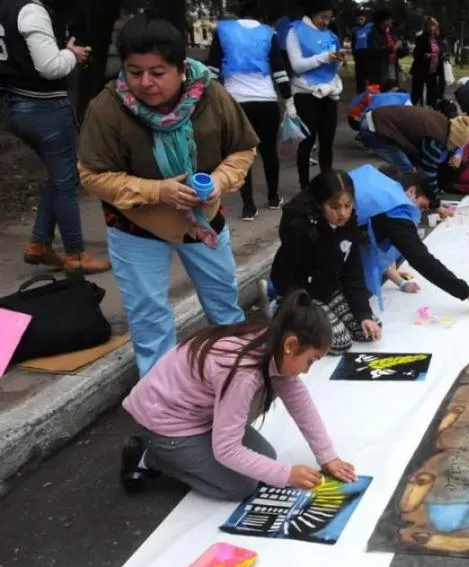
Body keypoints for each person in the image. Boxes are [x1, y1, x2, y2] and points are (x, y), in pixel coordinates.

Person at [77, 15, 258, 378]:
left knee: (224, 307)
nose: (145, 83)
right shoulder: (107, 106)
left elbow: (243, 148)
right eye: (134, 71)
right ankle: (162, 406)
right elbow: (92, 175)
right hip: (135, 226)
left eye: (158, 72)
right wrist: (156, 190)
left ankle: (238, 377)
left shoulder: (211, 94)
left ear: (180, 67)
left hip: (203, 221)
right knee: (150, 320)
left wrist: (221, 180)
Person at [119, 290, 357, 499]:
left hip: (198, 415)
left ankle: (175, 452)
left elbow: (300, 403)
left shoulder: (271, 341)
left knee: (266, 458)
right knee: (240, 486)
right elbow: (227, 449)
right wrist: (286, 474)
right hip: (166, 424)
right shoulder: (243, 373)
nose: (306, 371)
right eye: (310, 361)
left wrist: (327, 457)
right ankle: (151, 456)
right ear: (291, 344)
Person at [0, 0, 110, 273]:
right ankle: (76, 254)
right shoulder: (30, 10)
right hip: (44, 106)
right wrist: (72, 54)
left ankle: (39, 244)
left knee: (58, 175)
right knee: (67, 179)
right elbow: (50, 66)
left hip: (12, 105)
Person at [269, 170, 382, 354]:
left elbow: (352, 272)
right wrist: (304, 306)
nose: (343, 213)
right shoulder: (300, 228)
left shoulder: (349, 223)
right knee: (339, 342)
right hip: (301, 294)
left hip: (329, 288)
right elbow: (286, 277)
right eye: (335, 207)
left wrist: (364, 315)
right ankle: (279, 311)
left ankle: (333, 313)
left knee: (369, 329)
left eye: (348, 205)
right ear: (320, 205)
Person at [349, 164, 469, 309]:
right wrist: (467, 292)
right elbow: (421, 259)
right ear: (411, 192)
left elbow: (375, 237)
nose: (420, 214)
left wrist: (397, 279)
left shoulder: (385, 185)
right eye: (422, 207)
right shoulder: (396, 212)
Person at [208, 3, 291, 221]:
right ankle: (273, 198)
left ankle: (248, 207)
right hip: (266, 100)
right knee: (269, 152)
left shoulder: (223, 31)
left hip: (235, 102)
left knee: (241, 154)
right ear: (262, 15)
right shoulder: (268, 33)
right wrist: (289, 98)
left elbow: (213, 70)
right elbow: (279, 68)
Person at [358, 105, 469, 206]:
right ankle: (396, 207)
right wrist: (435, 202)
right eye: (453, 146)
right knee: (405, 170)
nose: (451, 149)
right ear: (452, 139)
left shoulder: (445, 124)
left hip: (376, 120)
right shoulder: (435, 140)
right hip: (374, 128)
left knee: (408, 168)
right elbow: (429, 174)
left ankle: (396, 199)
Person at [286, 2, 344, 187]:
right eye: (323, 17)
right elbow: (297, 65)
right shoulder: (295, 31)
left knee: (327, 141)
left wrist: (338, 60)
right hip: (306, 93)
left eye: (330, 18)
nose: (326, 22)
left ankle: (328, 184)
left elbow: (334, 68)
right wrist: (324, 58)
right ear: (312, 14)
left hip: (329, 92)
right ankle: (305, 185)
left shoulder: (331, 35)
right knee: (306, 142)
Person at [346, 78, 410, 130]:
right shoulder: (375, 96)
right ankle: (363, 137)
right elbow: (372, 113)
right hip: (356, 120)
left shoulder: (376, 93)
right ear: (392, 89)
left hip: (354, 117)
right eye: (395, 92)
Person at [411, 16, 445, 107]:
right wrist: (425, 55)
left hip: (433, 70)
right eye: (428, 26)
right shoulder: (420, 38)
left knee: (433, 92)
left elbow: (440, 51)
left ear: (436, 27)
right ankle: (415, 108)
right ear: (425, 27)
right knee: (417, 92)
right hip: (421, 69)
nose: (431, 28)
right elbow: (416, 54)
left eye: (433, 25)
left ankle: (431, 108)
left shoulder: (437, 39)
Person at [368, 9, 406, 85]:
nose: (391, 21)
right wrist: (392, 47)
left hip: (393, 66)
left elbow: (396, 52)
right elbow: (374, 51)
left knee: (393, 89)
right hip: (380, 70)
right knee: (383, 90)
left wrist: (403, 49)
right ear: (381, 21)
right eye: (388, 19)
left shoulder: (390, 33)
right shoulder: (372, 35)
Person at [351, 9, 373, 93]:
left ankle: (371, 95)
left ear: (365, 18)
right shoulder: (354, 29)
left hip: (369, 54)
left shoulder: (371, 26)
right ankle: (360, 95)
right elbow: (353, 42)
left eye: (361, 19)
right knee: (360, 78)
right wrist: (354, 53)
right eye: (358, 19)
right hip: (358, 55)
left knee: (370, 77)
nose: (360, 21)